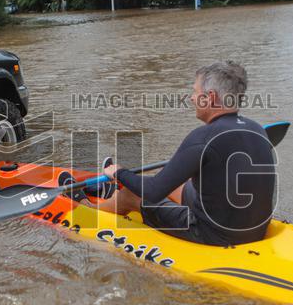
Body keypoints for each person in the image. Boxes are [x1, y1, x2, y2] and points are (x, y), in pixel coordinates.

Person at [78, 61, 276, 246]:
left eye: (195, 92)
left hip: (212, 234)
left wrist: (119, 172)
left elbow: (155, 192)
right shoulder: (257, 129)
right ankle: (117, 188)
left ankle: (90, 209)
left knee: (131, 193)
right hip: (254, 231)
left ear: (211, 97)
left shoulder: (203, 137)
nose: (191, 98)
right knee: (175, 179)